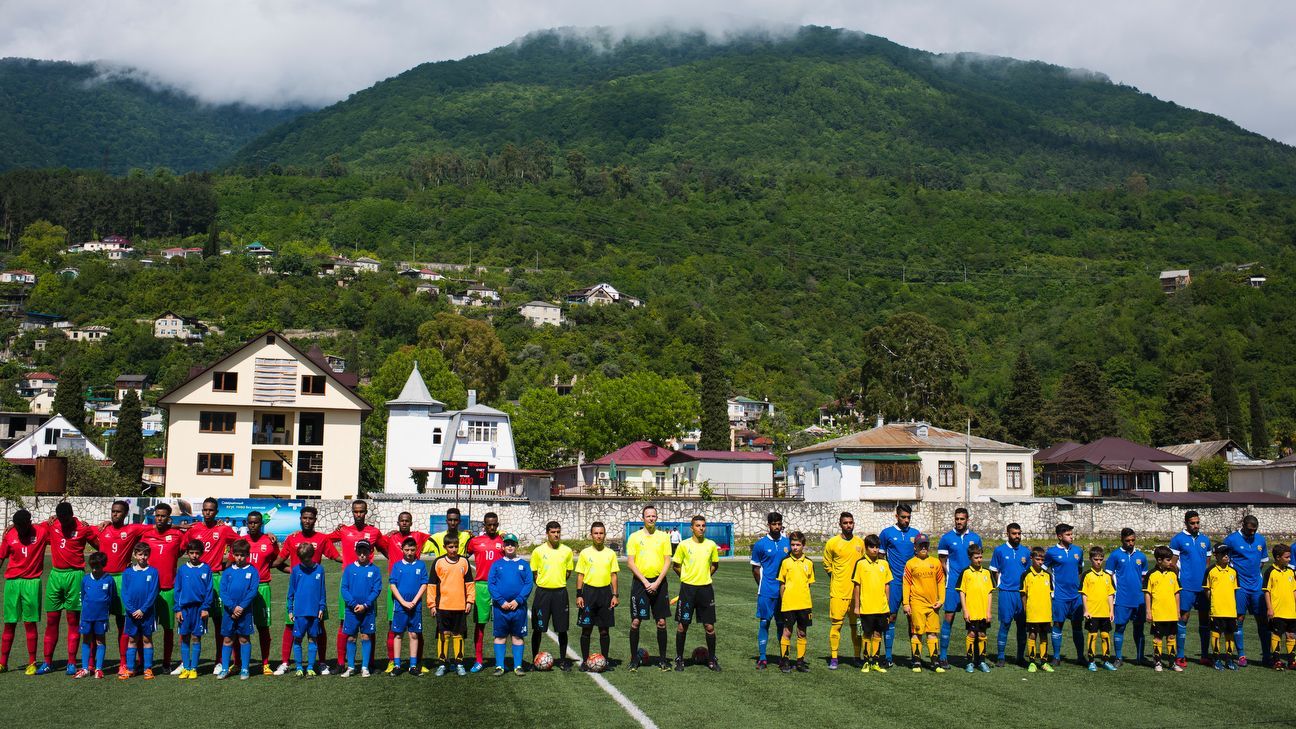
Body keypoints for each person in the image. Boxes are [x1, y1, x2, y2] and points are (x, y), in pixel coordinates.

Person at [272, 505, 341, 675]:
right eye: (305, 518)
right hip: (298, 593)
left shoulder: (322, 539)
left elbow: (337, 557)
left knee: (320, 627)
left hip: (315, 592)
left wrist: (355, 562)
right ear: (300, 519)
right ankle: (286, 663)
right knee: (290, 626)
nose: (307, 521)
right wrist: (293, 571)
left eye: (311, 518)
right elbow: (278, 562)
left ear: (315, 520)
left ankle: (322, 663)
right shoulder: (292, 538)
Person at [42, 502, 98, 675]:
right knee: (51, 620)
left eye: (66, 519)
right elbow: (30, 527)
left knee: (73, 621)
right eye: (60, 519)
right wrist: (13, 525)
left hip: (75, 576)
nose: (63, 522)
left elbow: (101, 544)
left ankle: (72, 662)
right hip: (55, 576)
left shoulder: (83, 528)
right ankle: (47, 662)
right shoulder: (52, 525)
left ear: (71, 515)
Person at [185, 498, 240, 674]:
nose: (207, 513)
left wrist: (229, 562)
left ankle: (219, 660)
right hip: (194, 579)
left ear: (216, 512)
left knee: (219, 622)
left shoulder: (223, 529)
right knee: (188, 620)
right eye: (205, 510)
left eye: (211, 510)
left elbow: (239, 544)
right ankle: (185, 662)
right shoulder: (194, 529)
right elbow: (181, 545)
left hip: (215, 577)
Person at [328, 500, 383, 673]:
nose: (358, 514)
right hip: (349, 584)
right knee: (343, 624)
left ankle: (369, 662)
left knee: (369, 626)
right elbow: (324, 540)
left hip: (367, 586)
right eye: (355, 511)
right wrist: (339, 558)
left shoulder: (374, 532)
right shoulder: (344, 530)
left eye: (361, 511)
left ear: (366, 512)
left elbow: (388, 547)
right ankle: (341, 662)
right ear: (352, 512)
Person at [97, 500, 148, 675]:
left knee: (122, 624)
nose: (114, 514)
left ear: (125, 514)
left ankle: (124, 662)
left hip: (121, 579)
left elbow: (156, 528)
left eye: (118, 512)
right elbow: (81, 527)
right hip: (102, 579)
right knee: (96, 623)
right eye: (113, 511)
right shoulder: (102, 529)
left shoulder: (133, 529)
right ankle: (93, 665)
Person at [378, 511, 431, 674]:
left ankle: (416, 662)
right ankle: (393, 662)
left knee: (415, 632)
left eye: (407, 520)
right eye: (402, 521)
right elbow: (376, 543)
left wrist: (463, 532)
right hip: (397, 590)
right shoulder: (390, 538)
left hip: (415, 595)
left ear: (411, 522)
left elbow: (437, 538)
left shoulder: (418, 536)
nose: (404, 523)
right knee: (393, 627)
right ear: (398, 522)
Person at [0, 509, 49, 674]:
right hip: (12, 583)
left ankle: (32, 662)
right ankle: (2, 662)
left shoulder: (41, 531)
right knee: (9, 624)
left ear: (29, 522)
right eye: (17, 526)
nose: (20, 529)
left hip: (32, 583)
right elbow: (1, 557)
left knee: (30, 623)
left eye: (23, 525)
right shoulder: (9, 535)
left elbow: (58, 524)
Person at [625, 504, 673, 671]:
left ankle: (662, 660)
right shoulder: (634, 537)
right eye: (648, 516)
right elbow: (630, 562)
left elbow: (668, 560)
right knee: (636, 622)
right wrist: (645, 582)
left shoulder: (664, 537)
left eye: (654, 516)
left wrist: (657, 582)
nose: (651, 518)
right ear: (643, 518)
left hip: (659, 583)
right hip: (640, 584)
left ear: (656, 518)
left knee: (661, 622)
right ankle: (633, 659)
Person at [140, 502, 186, 674]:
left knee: (169, 629)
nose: (159, 518)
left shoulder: (177, 535)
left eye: (163, 516)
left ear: (169, 518)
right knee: (145, 629)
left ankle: (167, 662)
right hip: (148, 590)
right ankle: (144, 663)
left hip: (169, 589)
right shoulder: (146, 534)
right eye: (157, 515)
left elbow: (181, 551)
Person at [672, 515, 720, 671]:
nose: (701, 528)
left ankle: (712, 659)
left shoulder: (711, 545)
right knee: (682, 626)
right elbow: (676, 565)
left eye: (703, 525)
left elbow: (714, 565)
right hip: (688, 589)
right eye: (698, 525)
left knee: (709, 627)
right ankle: (679, 659)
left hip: (705, 589)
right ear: (691, 528)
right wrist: (686, 578)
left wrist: (704, 576)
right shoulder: (683, 545)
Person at [936, 507, 981, 669]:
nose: (959, 521)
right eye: (957, 519)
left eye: (962, 519)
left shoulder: (975, 538)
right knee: (948, 618)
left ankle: (975, 657)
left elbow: (978, 559)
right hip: (953, 585)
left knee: (974, 622)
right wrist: (950, 576)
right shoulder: (946, 538)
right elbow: (942, 561)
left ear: (967, 519)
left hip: (972, 586)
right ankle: (942, 656)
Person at [1222, 514, 1270, 666]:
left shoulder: (1260, 540)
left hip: (1257, 587)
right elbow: (1224, 561)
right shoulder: (1231, 540)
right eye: (1250, 530)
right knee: (1239, 620)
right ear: (1243, 525)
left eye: (1254, 530)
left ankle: (1267, 655)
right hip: (1240, 587)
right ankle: (1241, 655)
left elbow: (1262, 562)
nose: (1252, 533)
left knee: (1262, 620)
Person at [879, 504, 922, 667]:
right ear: (896, 516)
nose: (906, 520)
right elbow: (881, 558)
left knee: (913, 619)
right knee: (891, 617)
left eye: (908, 517)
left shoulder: (915, 534)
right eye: (903, 517)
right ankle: (888, 657)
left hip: (912, 584)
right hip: (894, 582)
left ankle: (915, 658)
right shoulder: (886, 533)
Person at [1169, 510, 1213, 667]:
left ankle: (1205, 655)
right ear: (1186, 523)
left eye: (1197, 522)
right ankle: (1180, 655)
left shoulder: (1205, 540)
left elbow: (1207, 563)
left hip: (1202, 588)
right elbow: (1172, 564)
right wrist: (1179, 581)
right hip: (1186, 586)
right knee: (1183, 619)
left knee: (1205, 620)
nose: (1196, 525)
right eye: (1192, 523)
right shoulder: (1177, 540)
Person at [821, 512, 863, 670]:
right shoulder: (832, 543)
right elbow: (827, 564)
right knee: (836, 625)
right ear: (840, 524)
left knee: (857, 626)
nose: (848, 525)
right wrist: (837, 578)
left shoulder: (860, 543)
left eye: (851, 522)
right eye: (845, 523)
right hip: (838, 592)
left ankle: (857, 656)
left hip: (856, 594)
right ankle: (834, 657)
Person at [530, 520, 574, 670]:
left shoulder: (567, 551)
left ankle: (562, 660)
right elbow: (534, 573)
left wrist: (557, 582)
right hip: (542, 593)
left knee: (562, 628)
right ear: (547, 533)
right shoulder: (538, 551)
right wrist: (545, 583)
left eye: (558, 532)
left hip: (560, 593)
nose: (556, 535)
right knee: (538, 628)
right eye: (553, 532)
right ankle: (534, 660)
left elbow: (568, 572)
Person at [429, 534, 474, 676]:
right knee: (444, 634)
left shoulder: (464, 562)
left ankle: (459, 662)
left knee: (458, 634)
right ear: (445, 547)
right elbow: (431, 585)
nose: (454, 549)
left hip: (460, 605)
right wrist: (432, 604)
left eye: (456, 546)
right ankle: (442, 663)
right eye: (450, 547)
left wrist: (469, 601)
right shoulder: (438, 562)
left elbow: (469, 584)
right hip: (443, 606)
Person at [576, 521, 619, 670]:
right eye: (596, 533)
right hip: (588, 593)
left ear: (604, 535)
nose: (598, 536)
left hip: (605, 594)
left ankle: (605, 661)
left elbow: (613, 575)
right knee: (586, 628)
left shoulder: (610, 553)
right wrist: (579, 595)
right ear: (591, 535)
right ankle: (585, 661)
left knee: (604, 629)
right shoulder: (585, 553)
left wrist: (615, 595)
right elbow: (580, 575)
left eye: (601, 533)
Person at [487, 533, 532, 676]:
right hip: (500, 608)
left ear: (517, 546)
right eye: (507, 544)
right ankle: (499, 666)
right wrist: (501, 601)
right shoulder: (497, 564)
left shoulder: (524, 564)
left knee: (517, 636)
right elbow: (491, 584)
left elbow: (528, 584)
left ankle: (517, 666)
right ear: (503, 546)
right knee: (500, 636)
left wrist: (517, 600)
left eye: (513, 544)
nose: (510, 546)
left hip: (518, 608)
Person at [465, 512, 504, 672]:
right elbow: (463, 556)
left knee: (500, 626)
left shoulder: (503, 541)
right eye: (489, 524)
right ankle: (479, 660)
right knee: (480, 624)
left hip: (500, 587)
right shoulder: (474, 541)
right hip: (481, 586)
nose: (492, 527)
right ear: (484, 525)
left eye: (495, 524)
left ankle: (500, 662)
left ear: (498, 524)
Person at [749, 511, 789, 669]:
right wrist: (762, 585)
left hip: (783, 591)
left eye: (779, 524)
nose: (777, 527)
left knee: (782, 624)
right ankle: (763, 657)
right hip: (766, 591)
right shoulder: (760, 544)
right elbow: (755, 569)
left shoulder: (787, 543)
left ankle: (783, 657)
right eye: (774, 524)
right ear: (769, 525)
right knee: (764, 623)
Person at [242, 511, 279, 675]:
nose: (253, 525)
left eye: (256, 522)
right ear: (247, 523)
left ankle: (265, 663)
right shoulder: (241, 542)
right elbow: (231, 563)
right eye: (250, 522)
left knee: (263, 628)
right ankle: (239, 663)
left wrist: (293, 570)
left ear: (261, 523)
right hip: (243, 590)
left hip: (262, 588)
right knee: (240, 628)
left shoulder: (269, 541)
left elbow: (278, 560)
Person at [989, 522, 1031, 666]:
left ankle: (1020, 657)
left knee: (1022, 626)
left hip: (1021, 594)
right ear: (1007, 534)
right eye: (1014, 533)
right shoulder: (999, 550)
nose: (1017, 536)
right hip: (1006, 593)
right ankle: (1001, 657)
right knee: (1005, 624)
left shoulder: (1025, 552)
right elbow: (994, 570)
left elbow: (1028, 573)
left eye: (1019, 533)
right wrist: (1000, 584)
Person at [1105, 527, 1148, 666]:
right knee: (1120, 628)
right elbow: (1108, 576)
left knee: (1139, 628)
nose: (1131, 543)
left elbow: (1144, 578)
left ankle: (1140, 657)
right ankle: (1118, 657)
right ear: (1122, 540)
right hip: (1122, 599)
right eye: (1127, 540)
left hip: (1139, 600)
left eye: (1133, 540)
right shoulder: (1115, 555)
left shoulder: (1141, 556)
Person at [339, 540, 382, 677]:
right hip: (351, 611)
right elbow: (344, 589)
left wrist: (365, 605)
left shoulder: (374, 570)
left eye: (365, 552)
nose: (362, 554)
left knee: (366, 637)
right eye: (360, 551)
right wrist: (353, 604)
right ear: (356, 552)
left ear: (370, 553)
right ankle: (351, 667)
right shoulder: (349, 569)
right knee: (351, 637)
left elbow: (376, 589)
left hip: (367, 610)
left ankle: (364, 667)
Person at [1044, 523, 1085, 666]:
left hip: (1076, 596)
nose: (1071, 536)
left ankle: (1080, 656)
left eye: (1071, 534)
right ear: (1060, 536)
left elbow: (1080, 569)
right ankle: (1056, 657)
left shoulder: (1078, 551)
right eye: (1068, 534)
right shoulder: (1051, 552)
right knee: (1058, 625)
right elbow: (1043, 571)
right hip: (1060, 597)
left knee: (1077, 626)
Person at [902, 538, 945, 672]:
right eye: (921, 545)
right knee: (917, 632)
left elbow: (940, 582)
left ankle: (935, 662)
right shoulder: (910, 564)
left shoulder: (935, 562)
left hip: (933, 604)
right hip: (917, 604)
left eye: (926, 545)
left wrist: (941, 599)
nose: (924, 547)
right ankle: (916, 661)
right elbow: (906, 584)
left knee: (932, 633)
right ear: (915, 547)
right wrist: (906, 603)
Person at [217, 539, 258, 680]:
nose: (239, 558)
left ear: (247, 555)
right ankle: (224, 669)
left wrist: (241, 607)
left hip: (245, 612)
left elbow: (253, 590)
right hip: (229, 612)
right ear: (232, 555)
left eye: (242, 555)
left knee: (244, 639)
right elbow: (223, 591)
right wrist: (233, 607)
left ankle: (245, 669)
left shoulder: (252, 571)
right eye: (237, 555)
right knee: (227, 639)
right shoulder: (228, 572)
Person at [174, 539, 213, 679]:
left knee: (196, 637)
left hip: (199, 609)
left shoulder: (206, 568)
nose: (194, 555)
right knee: (184, 638)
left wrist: (205, 608)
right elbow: (177, 590)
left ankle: (194, 668)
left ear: (201, 553)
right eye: (192, 553)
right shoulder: (182, 569)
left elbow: (209, 590)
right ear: (187, 553)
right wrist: (177, 609)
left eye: (197, 553)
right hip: (184, 609)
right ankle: (186, 667)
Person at [287, 542, 328, 677]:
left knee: (312, 639)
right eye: (302, 558)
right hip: (299, 612)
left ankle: (310, 667)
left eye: (307, 558)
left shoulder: (319, 570)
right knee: (297, 639)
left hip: (314, 612)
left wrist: (322, 607)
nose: (305, 561)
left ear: (312, 555)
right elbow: (291, 592)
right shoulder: (296, 570)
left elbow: (322, 591)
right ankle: (299, 667)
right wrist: (290, 609)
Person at [388, 537, 428, 675]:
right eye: (407, 550)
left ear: (416, 549)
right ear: (402, 549)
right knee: (398, 634)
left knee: (414, 634)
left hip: (415, 606)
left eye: (412, 550)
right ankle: (397, 665)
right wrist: (403, 602)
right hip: (400, 606)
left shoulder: (421, 565)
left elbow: (424, 584)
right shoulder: (397, 565)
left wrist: (415, 601)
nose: (410, 553)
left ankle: (412, 665)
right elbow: (392, 584)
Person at [851, 534, 890, 674]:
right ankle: (866, 661)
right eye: (871, 547)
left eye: (876, 547)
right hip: (866, 607)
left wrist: (887, 603)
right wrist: (856, 606)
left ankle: (876, 661)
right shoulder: (860, 564)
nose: (874, 550)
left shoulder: (884, 564)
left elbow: (887, 585)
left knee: (878, 634)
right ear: (866, 548)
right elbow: (857, 586)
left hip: (881, 607)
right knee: (867, 634)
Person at [776, 531, 814, 673]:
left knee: (802, 633)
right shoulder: (785, 562)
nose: (795, 547)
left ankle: (800, 662)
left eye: (798, 544)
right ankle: (785, 661)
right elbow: (782, 584)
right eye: (793, 544)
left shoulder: (809, 563)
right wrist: (784, 601)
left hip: (804, 604)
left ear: (803, 545)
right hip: (789, 604)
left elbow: (808, 584)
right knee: (787, 632)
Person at [120, 542, 160, 679]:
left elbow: (153, 592)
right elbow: (124, 593)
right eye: (140, 554)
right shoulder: (128, 572)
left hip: (147, 613)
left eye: (145, 554)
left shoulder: (153, 572)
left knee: (147, 639)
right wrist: (132, 610)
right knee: (132, 639)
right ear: (135, 555)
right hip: (131, 614)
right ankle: (130, 669)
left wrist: (143, 610)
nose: (143, 557)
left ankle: (148, 669)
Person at [75, 552, 114, 679]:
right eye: (93, 567)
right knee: (86, 640)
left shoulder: (108, 579)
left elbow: (111, 596)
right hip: (87, 616)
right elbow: (83, 596)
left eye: (98, 567)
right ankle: (85, 668)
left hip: (101, 617)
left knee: (100, 641)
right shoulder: (85, 579)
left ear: (103, 565)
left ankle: (99, 669)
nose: (95, 569)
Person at [956, 544, 994, 673]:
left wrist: (989, 611)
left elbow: (989, 593)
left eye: (981, 557)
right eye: (976, 557)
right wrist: (965, 610)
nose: (979, 559)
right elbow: (962, 592)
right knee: (971, 634)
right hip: (971, 611)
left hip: (983, 611)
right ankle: (969, 662)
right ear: (970, 557)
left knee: (982, 634)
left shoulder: (986, 573)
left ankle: (982, 661)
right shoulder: (966, 573)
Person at [1144, 545, 1182, 672]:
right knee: (1158, 638)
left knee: (1171, 637)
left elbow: (1177, 593)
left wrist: (1177, 610)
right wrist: (1148, 611)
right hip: (1158, 613)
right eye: (1168, 560)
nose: (1171, 562)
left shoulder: (1173, 574)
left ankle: (1172, 663)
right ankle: (1158, 662)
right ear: (1159, 560)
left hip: (1171, 613)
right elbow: (1147, 594)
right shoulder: (1151, 574)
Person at [1203, 544, 1241, 670]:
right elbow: (1207, 591)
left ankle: (1229, 659)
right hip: (1217, 610)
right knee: (1216, 634)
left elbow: (1234, 591)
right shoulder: (1211, 571)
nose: (1226, 556)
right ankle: (1216, 659)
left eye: (1227, 553)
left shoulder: (1233, 572)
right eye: (1223, 553)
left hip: (1230, 610)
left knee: (1230, 635)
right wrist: (1214, 603)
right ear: (1216, 556)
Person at [1080, 546, 1117, 672]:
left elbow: (1110, 594)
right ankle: (1091, 661)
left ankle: (1106, 660)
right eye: (1096, 559)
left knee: (1106, 635)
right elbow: (1084, 594)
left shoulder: (1107, 576)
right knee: (1093, 636)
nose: (1098, 562)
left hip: (1105, 613)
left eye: (1101, 559)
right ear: (1091, 559)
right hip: (1092, 613)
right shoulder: (1087, 575)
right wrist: (1086, 610)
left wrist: (1111, 611)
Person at [1263, 543, 1296, 671]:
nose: (1289, 559)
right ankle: (1276, 661)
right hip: (1277, 611)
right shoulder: (1270, 571)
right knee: (1277, 635)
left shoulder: (1291, 572)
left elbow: (1294, 590)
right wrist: (1269, 608)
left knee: (1291, 635)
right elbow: (1267, 591)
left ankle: (1292, 661)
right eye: (1287, 557)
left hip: (1291, 611)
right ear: (1278, 557)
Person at [1023, 546, 1054, 673]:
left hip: (1045, 613)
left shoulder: (1047, 575)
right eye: (1038, 559)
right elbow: (1023, 594)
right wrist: (1026, 609)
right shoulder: (1026, 575)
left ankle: (1044, 662)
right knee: (1032, 635)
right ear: (1031, 558)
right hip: (1032, 612)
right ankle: (1032, 662)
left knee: (1044, 636)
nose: (1040, 562)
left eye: (1042, 560)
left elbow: (1050, 595)